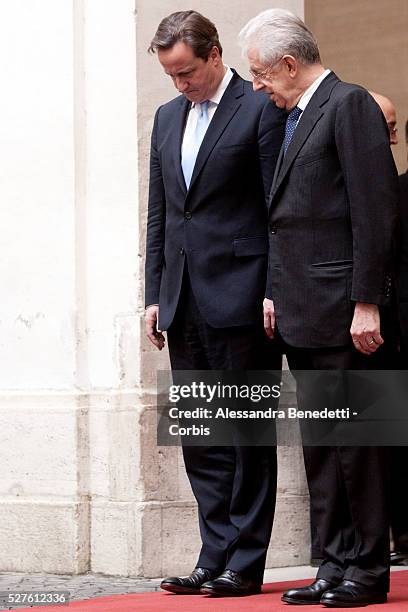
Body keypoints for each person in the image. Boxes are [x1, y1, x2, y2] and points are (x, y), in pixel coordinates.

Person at [239, 9, 398, 607]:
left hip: (346, 312)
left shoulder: (349, 103)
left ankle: (366, 572)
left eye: (260, 73)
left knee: (359, 446)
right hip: (305, 311)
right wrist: (277, 289)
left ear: (288, 63)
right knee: (323, 449)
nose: (257, 85)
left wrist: (368, 303)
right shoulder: (298, 114)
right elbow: (292, 220)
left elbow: (375, 211)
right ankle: (332, 563)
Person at [145, 10, 286, 597]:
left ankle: (246, 562)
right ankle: (213, 553)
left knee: (246, 434)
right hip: (183, 298)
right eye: (170, 75)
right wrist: (153, 295)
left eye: (187, 73)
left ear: (214, 54)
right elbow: (162, 212)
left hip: (244, 294)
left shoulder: (258, 107)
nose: (180, 85)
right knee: (203, 435)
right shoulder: (165, 117)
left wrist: (278, 286)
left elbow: (278, 206)